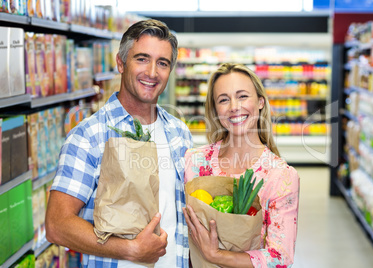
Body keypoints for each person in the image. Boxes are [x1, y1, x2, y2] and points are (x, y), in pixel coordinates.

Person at [45, 19, 193, 268]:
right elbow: (56, 225)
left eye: (163, 63)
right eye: (142, 59)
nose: (152, 72)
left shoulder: (179, 133)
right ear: (121, 63)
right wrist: (131, 250)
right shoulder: (89, 135)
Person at [183, 63, 299, 268]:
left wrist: (216, 255)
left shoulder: (280, 177)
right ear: (215, 109)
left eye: (242, 96)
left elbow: (280, 258)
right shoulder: (194, 162)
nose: (234, 106)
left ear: (261, 102)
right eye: (223, 99)